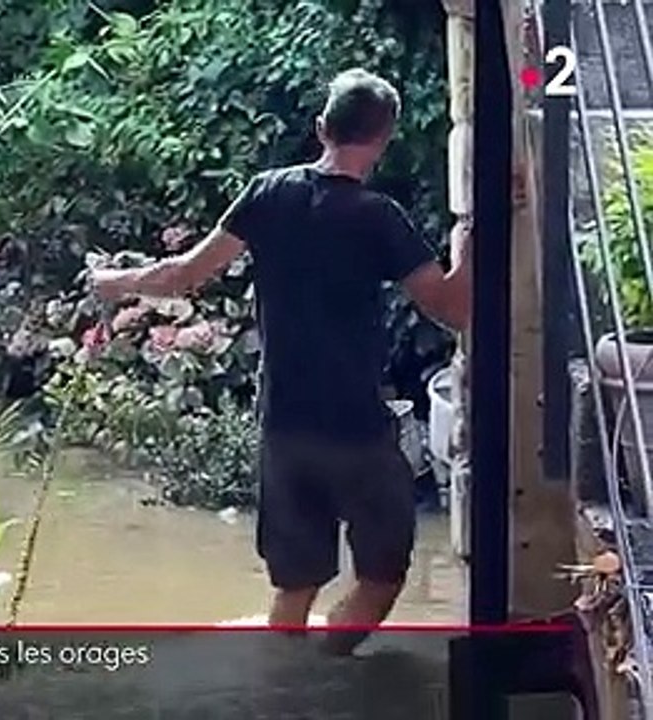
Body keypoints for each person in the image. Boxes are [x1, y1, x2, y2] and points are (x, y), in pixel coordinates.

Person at [88, 68, 472, 653]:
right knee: (382, 574)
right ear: (386, 137)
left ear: (321, 128)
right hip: (357, 429)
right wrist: (473, 238)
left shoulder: (269, 193)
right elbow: (453, 308)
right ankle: (324, 668)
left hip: (284, 424)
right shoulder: (379, 217)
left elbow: (183, 275)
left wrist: (110, 281)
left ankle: (285, 685)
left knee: (295, 586)